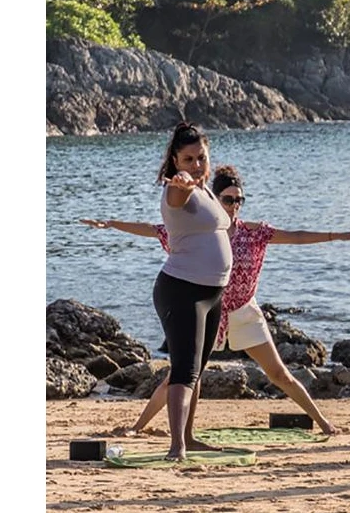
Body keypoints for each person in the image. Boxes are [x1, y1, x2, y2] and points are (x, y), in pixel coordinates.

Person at [82, 165, 350, 436]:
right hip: (208, 308)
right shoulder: (197, 230)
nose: (235, 206)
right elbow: (151, 228)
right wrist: (110, 224)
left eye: (239, 200)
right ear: (214, 200)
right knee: (182, 376)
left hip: (244, 311)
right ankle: (139, 426)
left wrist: (336, 236)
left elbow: (296, 236)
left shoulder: (254, 233)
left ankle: (324, 422)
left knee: (279, 373)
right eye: (228, 200)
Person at [142, 122, 232, 460]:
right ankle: (176, 446)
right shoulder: (177, 190)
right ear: (175, 162)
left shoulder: (207, 191)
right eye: (188, 159)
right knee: (184, 369)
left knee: (198, 368)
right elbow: (178, 195)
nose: (196, 165)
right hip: (182, 290)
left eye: (201, 158)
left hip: (213, 293)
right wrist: (181, 183)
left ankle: (189, 438)